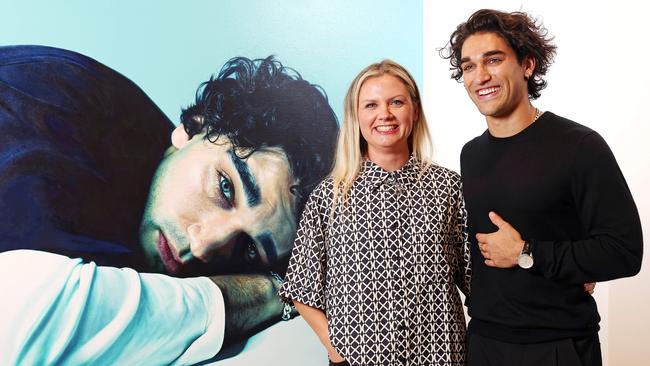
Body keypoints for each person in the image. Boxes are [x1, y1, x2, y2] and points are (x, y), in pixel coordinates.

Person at [0, 45, 338, 364]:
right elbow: (27, 319)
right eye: (225, 188)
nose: (203, 244)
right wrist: (267, 292)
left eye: (249, 248)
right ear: (195, 128)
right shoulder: (50, 112)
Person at [440, 9, 643, 366]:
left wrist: (527, 252)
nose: (480, 75)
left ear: (527, 65)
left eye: (494, 59)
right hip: (485, 343)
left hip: (557, 346)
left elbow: (624, 252)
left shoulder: (579, 146)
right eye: (469, 66)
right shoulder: (470, 155)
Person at [280, 60, 471, 366]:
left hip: (441, 357)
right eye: (371, 105)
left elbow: (476, 279)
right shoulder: (329, 196)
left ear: (415, 110)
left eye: (397, 102)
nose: (385, 114)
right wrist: (336, 350)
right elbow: (301, 287)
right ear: (356, 117)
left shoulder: (449, 188)